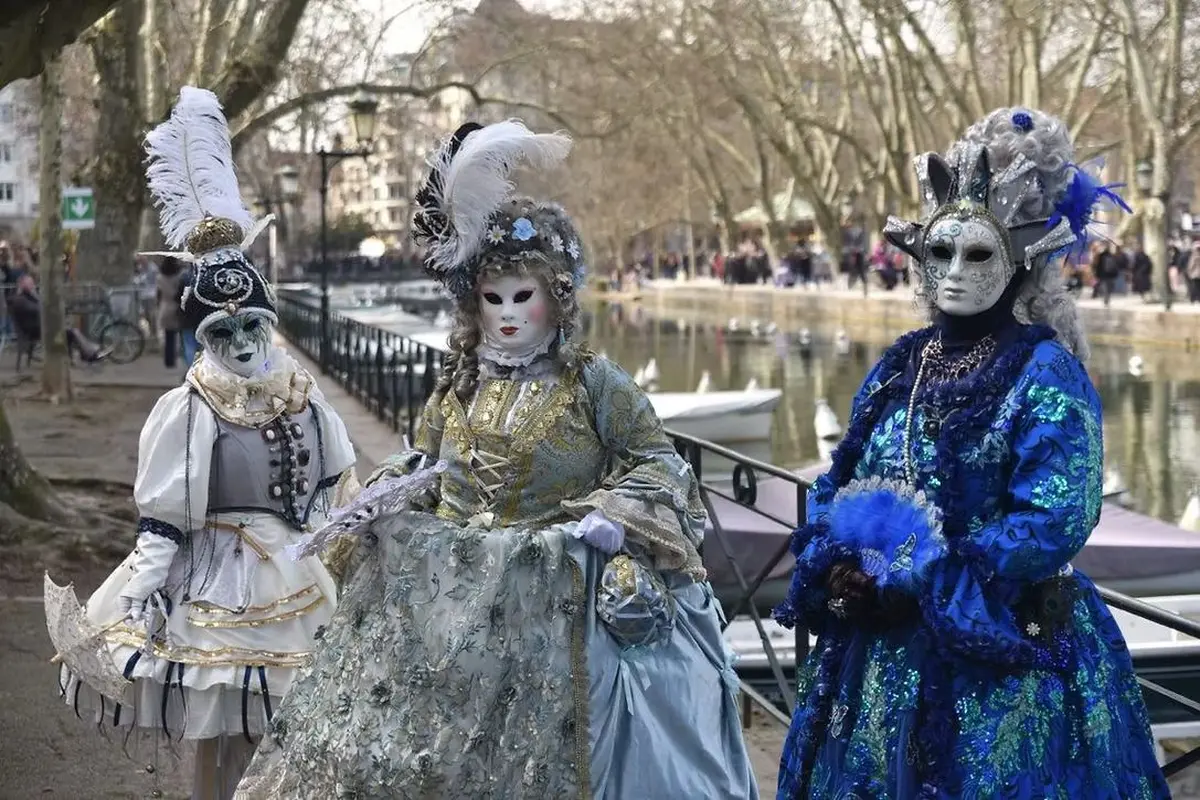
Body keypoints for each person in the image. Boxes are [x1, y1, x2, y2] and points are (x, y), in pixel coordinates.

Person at [235, 120, 757, 799]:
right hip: (453, 608)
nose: (509, 315)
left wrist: (613, 513)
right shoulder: (458, 382)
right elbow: (427, 463)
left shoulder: (595, 384)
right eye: (494, 299)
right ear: (472, 304)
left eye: (523, 296)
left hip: (558, 602)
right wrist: (388, 497)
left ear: (556, 298)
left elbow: (661, 464)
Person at [773, 108, 1169, 798]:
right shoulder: (903, 363)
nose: (955, 271)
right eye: (941, 251)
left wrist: (923, 576)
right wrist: (841, 564)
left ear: (1019, 257)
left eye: (978, 253)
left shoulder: (1044, 371)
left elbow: (1056, 517)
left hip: (1000, 651)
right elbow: (845, 478)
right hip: (874, 660)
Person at [54, 87, 358, 800]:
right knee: (221, 724)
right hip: (217, 578)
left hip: (300, 574)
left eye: (253, 326)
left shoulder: (303, 393)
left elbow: (334, 489)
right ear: (203, 337)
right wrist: (136, 595)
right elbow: (163, 518)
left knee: (296, 723)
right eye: (225, 333)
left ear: (269, 323)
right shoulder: (186, 409)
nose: (245, 344)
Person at [7, 273, 107, 362]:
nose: (32, 285)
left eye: (32, 283)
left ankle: (87, 353)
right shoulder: (19, 299)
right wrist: (37, 297)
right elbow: (38, 309)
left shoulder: (28, 297)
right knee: (72, 331)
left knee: (71, 330)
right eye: (29, 283)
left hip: (41, 327)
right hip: (34, 330)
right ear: (21, 284)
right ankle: (89, 353)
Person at [156, 255, 196, 369]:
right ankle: (188, 363)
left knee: (169, 336)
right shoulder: (179, 276)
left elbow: (158, 294)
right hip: (178, 308)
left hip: (165, 307)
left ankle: (169, 361)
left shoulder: (159, 277)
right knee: (184, 338)